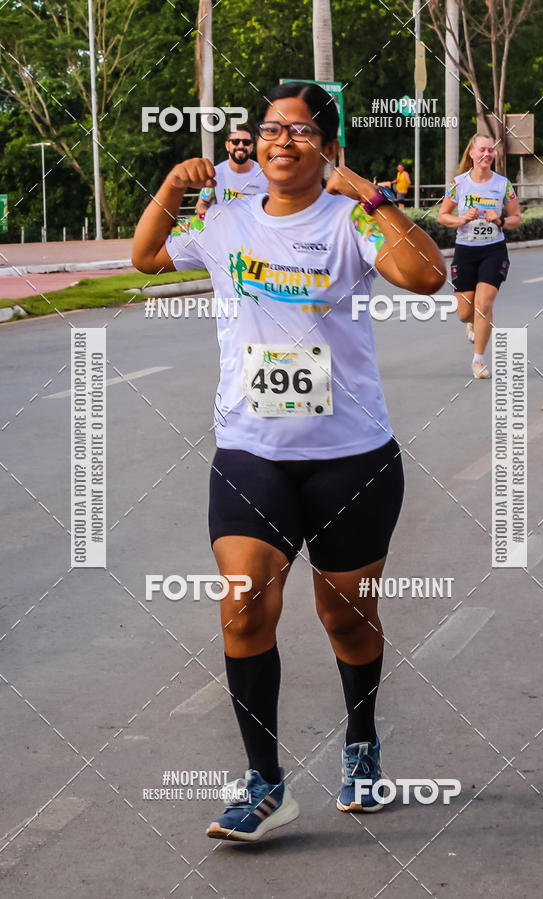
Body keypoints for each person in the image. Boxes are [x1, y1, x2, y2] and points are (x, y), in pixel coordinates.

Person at [133, 81, 445, 843]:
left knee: (345, 616)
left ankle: (362, 742)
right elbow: (144, 258)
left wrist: (373, 197)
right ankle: (265, 783)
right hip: (251, 453)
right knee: (243, 607)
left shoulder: (350, 221)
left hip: (350, 458)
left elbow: (428, 276)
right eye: (271, 129)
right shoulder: (226, 222)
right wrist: (174, 184)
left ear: (327, 147)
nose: (280, 141)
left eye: (300, 131)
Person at [438, 133, 522, 378]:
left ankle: (478, 361)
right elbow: (443, 215)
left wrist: (501, 219)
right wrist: (462, 218)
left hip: (493, 250)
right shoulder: (458, 183)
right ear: (472, 153)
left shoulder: (503, 184)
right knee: (466, 312)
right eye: (482, 150)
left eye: (491, 150)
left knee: (484, 304)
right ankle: (472, 322)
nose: (487, 154)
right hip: (465, 250)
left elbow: (517, 218)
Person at [195, 123, 268, 214]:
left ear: (251, 147)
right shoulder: (215, 174)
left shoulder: (266, 174)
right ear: (227, 145)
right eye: (235, 141)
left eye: (246, 142)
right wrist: (208, 217)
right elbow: (202, 203)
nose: (241, 146)